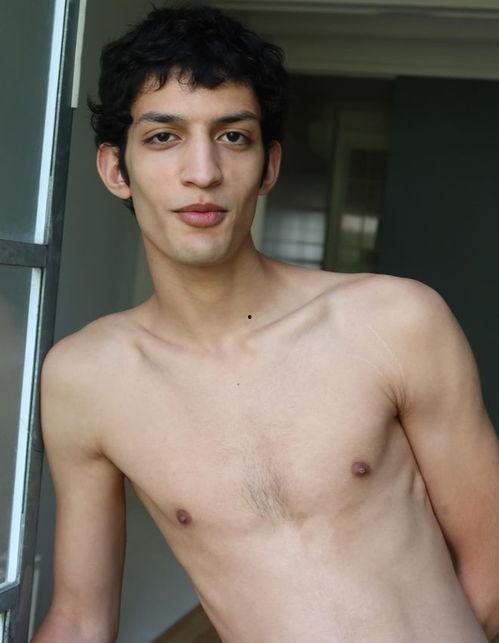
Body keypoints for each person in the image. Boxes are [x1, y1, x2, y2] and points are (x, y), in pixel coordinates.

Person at [33, 4, 499, 642]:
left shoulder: (396, 321)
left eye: (233, 136)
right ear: (117, 169)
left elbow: (492, 565)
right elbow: (81, 619)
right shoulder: (86, 379)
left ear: (269, 166)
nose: (203, 173)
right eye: (164, 137)